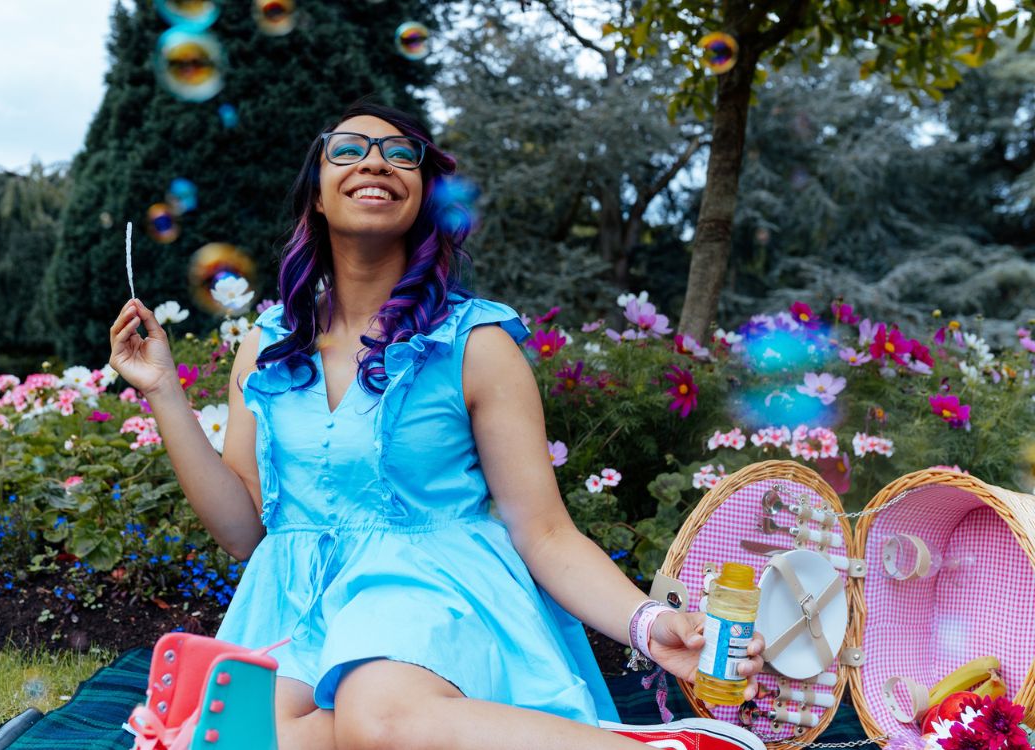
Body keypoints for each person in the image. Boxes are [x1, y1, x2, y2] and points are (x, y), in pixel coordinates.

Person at [109, 100, 766, 750]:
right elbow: (244, 531)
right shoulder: (269, 347)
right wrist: (165, 390)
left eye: (402, 155)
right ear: (315, 194)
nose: (377, 161)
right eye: (349, 149)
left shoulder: (474, 344)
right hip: (298, 609)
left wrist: (650, 624)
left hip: (432, 593)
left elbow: (543, 531)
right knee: (243, 739)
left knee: (379, 716)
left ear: (421, 196)